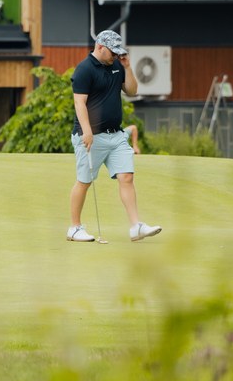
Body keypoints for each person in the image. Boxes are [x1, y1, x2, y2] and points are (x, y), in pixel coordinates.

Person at [68, 28, 162, 242]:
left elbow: (132, 91)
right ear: (100, 47)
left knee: (126, 177)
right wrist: (87, 130)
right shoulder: (84, 69)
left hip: (116, 135)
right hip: (91, 136)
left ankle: (136, 226)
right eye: (113, 52)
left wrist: (127, 67)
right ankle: (74, 228)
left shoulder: (118, 65)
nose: (116, 56)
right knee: (84, 181)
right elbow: (79, 103)